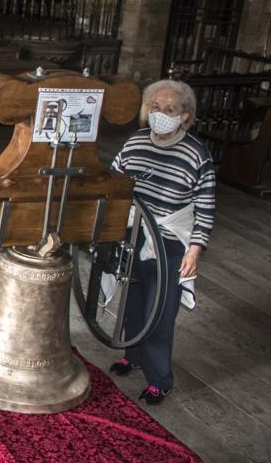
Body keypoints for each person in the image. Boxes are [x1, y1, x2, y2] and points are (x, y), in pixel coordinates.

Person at [109, 79, 216, 405]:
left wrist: (195, 249)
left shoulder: (197, 155)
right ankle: (133, 354)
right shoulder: (136, 142)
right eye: (155, 107)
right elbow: (114, 178)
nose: (160, 114)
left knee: (160, 309)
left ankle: (159, 379)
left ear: (185, 116)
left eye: (170, 110)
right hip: (134, 231)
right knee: (133, 297)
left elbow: (205, 208)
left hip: (169, 240)